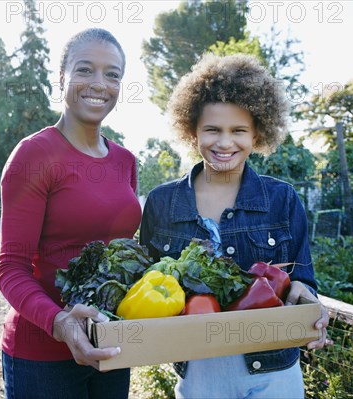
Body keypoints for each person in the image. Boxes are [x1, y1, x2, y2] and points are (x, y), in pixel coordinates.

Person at [139, 54, 331, 399]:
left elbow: (304, 281)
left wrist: (308, 301)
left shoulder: (282, 199)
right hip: (199, 372)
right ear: (192, 130)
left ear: (257, 133)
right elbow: (145, 285)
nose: (225, 143)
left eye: (238, 131)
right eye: (212, 129)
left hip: (274, 371)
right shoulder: (161, 203)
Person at [0, 28, 141, 399]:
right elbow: (10, 267)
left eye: (113, 74)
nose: (99, 84)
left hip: (109, 345)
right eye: (85, 70)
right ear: (61, 78)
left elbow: (122, 253)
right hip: (42, 356)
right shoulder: (34, 155)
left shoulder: (125, 161)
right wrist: (59, 322)